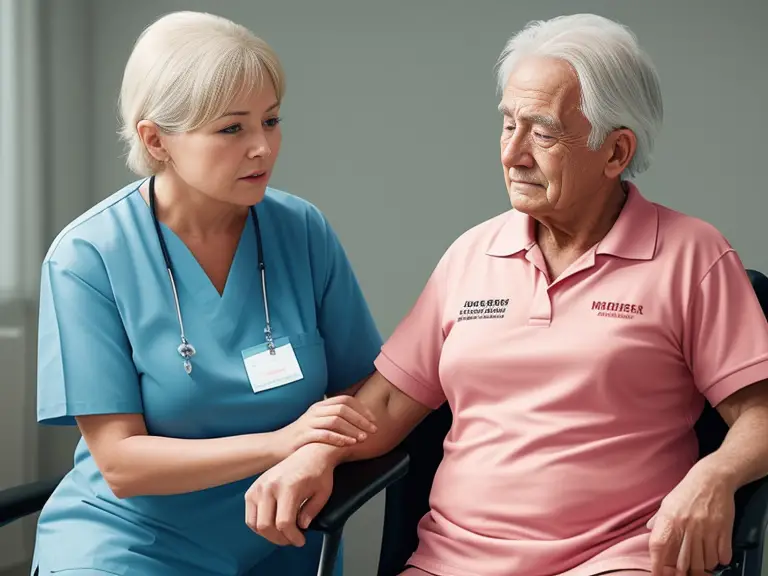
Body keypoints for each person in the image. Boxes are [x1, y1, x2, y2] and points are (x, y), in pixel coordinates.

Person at [244, 13, 768, 576]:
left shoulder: (692, 256)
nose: (513, 153)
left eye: (542, 133)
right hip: (452, 560)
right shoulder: (473, 254)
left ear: (616, 153)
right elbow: (390, 404)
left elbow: (760, 414)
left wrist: (714, 476)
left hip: (615, 560)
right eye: (508, 125)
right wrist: (315, 454)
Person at [31, 10, 383, 576]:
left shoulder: (302, 230)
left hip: (284, 539)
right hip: (132, 545)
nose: (262, 148)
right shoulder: (87, 258)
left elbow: (365, 391)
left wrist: (317, 452)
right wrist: (282, 442)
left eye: (270, 121)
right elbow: (122, 464)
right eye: (231, 128)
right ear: (156, 139)